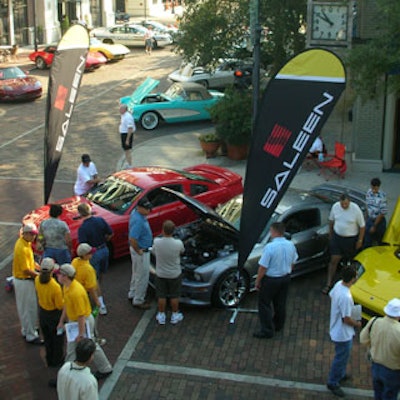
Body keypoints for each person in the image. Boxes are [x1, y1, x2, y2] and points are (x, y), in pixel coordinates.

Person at [56, 264, 113, 381]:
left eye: (59, 274)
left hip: (83, 322)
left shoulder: (76, 292)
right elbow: (66, 305)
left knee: (87, 345)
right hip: (76, 322)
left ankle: (67, 375)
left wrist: (81, 334)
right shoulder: (67, 287)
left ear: (65, 276)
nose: (57, 276)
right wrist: (62, 320)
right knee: (75, 348)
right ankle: (67, 374)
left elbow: (81, 316)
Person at [253, 222, 298, 339]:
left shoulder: (270, 247)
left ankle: (267, 330)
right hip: (285, 277)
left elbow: (263, 266)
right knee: (280, 302)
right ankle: (278, 324)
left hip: (271, 279)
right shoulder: (290, 245)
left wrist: (258, 281)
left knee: (264, 303)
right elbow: (294, 261)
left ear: (273, 232)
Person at [326, 266, 362, 398]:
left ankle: (339, 374)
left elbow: (331, 297)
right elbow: (346, 318)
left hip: (336, 328)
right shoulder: (346, 296)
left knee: (342, 356)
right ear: (352, 279)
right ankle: (333, 382)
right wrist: (357, 324)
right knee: (341, 357)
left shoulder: (338, 285)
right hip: (342, 333)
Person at [322, 193, 365, 295]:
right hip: (337, 238)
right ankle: (329, 284)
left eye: (346, 204)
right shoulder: (335, 207)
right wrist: (331, 235)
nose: (344, 206)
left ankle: (350, 284)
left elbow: (362, 226)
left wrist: (360, 240)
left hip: (351, 239)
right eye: (342, 204)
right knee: (334, 260)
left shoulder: (356, 209)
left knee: (350, 263)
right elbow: (331, 221)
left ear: (349, 202)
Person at [360, 298, 400, 400]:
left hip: (376, 365)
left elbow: (363, 339)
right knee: (390, 395)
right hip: (392, 371)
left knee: (378, 393)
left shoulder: (374, 321)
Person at [77, 203, 113, 315]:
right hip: (104, 249)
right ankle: (98, 292)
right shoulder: (100, 220)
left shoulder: (83, 228)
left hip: (93, 253)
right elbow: (110, 233)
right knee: (101, 274)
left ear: (80, 214)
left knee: (94, 279)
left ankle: (100, 304)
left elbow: (83, 246)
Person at [12, 223, 43, 344]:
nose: (34, 237)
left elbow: (30, 262)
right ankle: (30, 335)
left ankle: (27, 330)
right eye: (32, 234)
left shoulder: (25, 243)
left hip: (23, 280)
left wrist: (38, 268)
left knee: (25, 307)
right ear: (25, 234)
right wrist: (40, 276)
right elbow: (26, 269)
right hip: (24, 280)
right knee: (28, 308)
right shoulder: (22, 248)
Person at [72, 243, 106, 346]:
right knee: (92, 319)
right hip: (86, 296)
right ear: (86, 255)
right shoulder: (88, 269)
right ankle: (94, 338)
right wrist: (97, 301)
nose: (92, 254)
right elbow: (92, 288)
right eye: (90, 253)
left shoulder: (74, 262)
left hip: (76, 294)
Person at [152, 220, 185, 325]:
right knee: (174, 295)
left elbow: (153, 251)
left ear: (162, 230)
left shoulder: (157, 242)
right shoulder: (178, 243)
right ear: (173, 231)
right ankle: (175, 315)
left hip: (161, 273)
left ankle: (161, 315)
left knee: (161, 295)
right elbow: (182, 251)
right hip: (174, 274)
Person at [35, 258, 64, 367]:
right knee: (57, 340)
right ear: (52, 271)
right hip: (54, 315)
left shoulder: (37, 279)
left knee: (47, 338)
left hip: (43, 313)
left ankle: (49, 358)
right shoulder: (55, 287)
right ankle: (57, 360)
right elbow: (59, 305)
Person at [128, 198, 153, 309]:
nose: (149, 211)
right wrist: (139, 251)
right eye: (147, 209)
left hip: (137, 250)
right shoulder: (139, 221)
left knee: (136, 273)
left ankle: (133, 293)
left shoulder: (136, 214)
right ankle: (139, 300)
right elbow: (133, 238)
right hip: (141, 250)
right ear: (140, 208)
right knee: (143, 276)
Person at [364, 177, 388, 248]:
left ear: (378, 187)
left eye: (375, 188)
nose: (374, 190)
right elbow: (367, 205)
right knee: (367, 241)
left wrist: (374, 226)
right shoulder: (369, 192)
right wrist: (366, 218)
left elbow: (382, 213)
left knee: (380, 242)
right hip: (370, 219)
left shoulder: (382, 196)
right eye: (372, 188)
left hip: (379, 222)